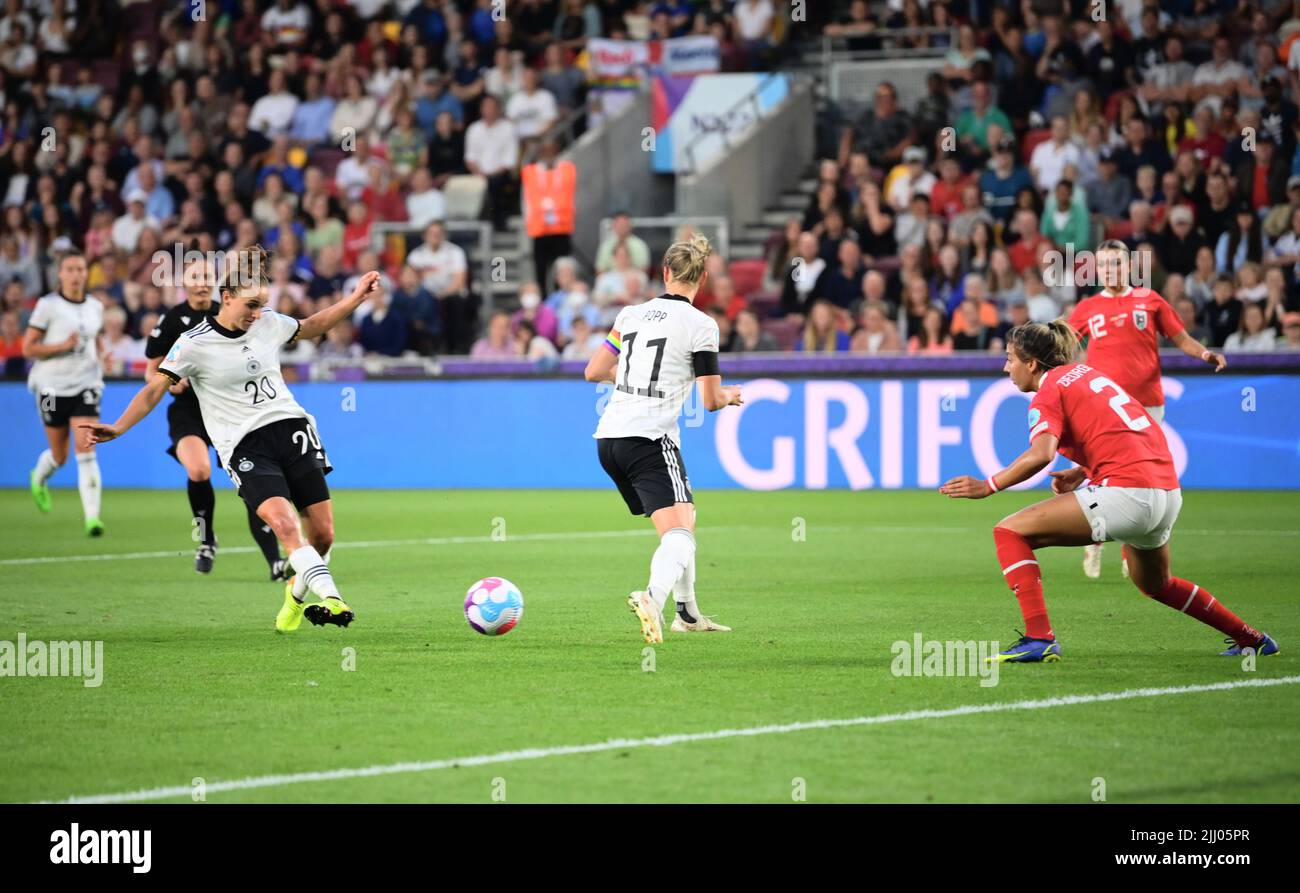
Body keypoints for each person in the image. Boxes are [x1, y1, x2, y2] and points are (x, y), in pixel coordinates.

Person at [82, 247, 383, 634]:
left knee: (323, 534)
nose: (257, 314)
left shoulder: (269, 323)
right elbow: (155, 388)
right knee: (284, 525)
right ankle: (333, 599)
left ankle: (295, 596)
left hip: (292, 430)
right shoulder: (193, 342)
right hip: (245, 447)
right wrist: (120, 427)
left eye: (262, 305)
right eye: (251, 305)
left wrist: (356, 298)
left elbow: (311, 324)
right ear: (226, 298)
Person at [940, 321, 1277, 663]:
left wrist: (989, 485)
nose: (1005, 367)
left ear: (1032, 364)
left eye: (1010, 358)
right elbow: (1126, 429)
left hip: (1129, 494)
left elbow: (1041, 453)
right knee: (1156, 583)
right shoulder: (1086, 374)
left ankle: (1039, 638)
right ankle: (1252, 638)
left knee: (1009, 532)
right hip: (1166, 492)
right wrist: (1083, 470)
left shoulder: (1048, 391)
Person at [584, 234, 742, 643]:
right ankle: (652, 597)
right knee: (680, 535)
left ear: (665, 272)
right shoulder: (702, 325)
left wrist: (637, 380)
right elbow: (710, 400)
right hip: (651, 439)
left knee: (684, 518)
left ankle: (687, 613)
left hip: (609, 438)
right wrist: (730, 395)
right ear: (703, 278)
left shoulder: (630, 315)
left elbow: (594, 370)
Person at [1067, 240, 1226, 579]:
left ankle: (1130, 550)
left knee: (1139, 479)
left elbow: (1180, 338)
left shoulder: (1149, 300)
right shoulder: (1087, 307)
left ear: (1129, 267)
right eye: (1104, 265)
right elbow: (1063, 343)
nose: (1110, 270)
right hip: (1103, 406)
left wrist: (1204, 354)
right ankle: (1094, 541)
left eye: (1116, 264)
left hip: (1147, 404)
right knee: (1100, 473)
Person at [144, 258, 287, 577]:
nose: (203, 281)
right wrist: (172, 382)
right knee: (198, 469)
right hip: (189, 410)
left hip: (228, 407)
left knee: (252, 479)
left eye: (208, 275)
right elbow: (151, 369)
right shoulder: (171, 320)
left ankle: (274, 560)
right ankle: (206, 538)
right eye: (196, 276)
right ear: (184, 282)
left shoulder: (228, 311)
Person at [23, 250, 106, 536]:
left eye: (80, 269)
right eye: (70, 269)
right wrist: (61, 346)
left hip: (86, 383)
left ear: (86, 273)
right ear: (60, 274)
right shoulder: (48, 306)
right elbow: (28, 348)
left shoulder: (95, 306)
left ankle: (92, 518)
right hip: (51, 386)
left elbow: (95, 339)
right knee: (60, 456)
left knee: (87, 449)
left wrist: (101, 358)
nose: (76, 274)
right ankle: (39, 476)